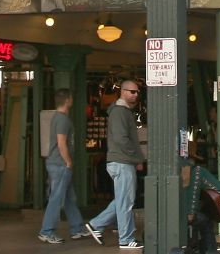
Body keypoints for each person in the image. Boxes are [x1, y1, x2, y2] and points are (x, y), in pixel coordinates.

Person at [86, 79, 144, 248]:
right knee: (126, 202)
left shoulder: (121, 111)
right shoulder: (120, 112)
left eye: (137, 92)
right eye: (132, 92)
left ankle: (97, 224)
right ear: (123, 92)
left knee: (123, 200)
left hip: (121, 161)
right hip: (122, 161)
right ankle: (125, 239)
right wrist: (136, 158)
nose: (135, 95)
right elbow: (121, 139)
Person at [36, 89, 87, 245]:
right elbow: (61, 143)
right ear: (68, 100)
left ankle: (77, 228)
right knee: (56, 198)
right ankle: (47, 231)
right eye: (71, 98)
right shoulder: (63, 120)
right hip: (60, 164)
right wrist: (68, 161)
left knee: (69, 197)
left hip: (57, 163)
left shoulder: (57, 118)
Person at [181, 141, 220, 254]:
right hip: (189, 217)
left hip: (171, 216)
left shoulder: (171, 171)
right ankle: (210, 251)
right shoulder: (198, 171)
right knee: (206, 220)